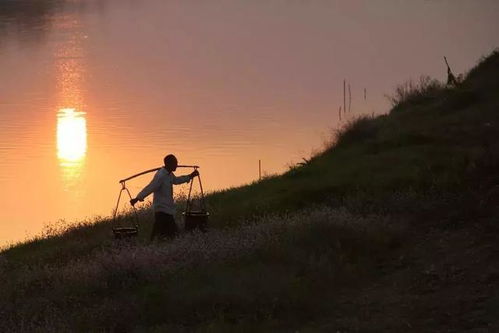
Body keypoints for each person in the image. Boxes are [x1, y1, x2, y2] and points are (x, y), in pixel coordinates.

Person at [130, 154, 199, 241]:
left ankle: (153, 244)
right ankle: (153, 245)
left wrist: (190, 176)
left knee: (161, 232)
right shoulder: (161, 176)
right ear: (169, 164)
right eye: (175, 163)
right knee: (171, 233)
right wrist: (137, 198)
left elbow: (176, 180)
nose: (177, 165)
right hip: (162, 209)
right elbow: (150, 187)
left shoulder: (169, 174)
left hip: (167, 209)